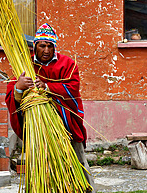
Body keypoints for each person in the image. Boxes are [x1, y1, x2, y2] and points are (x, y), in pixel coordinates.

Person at [5, 23, 95, 192]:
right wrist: (18, 87)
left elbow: (73, 89)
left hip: (65, 125)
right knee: (40, 168)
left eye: (50, 46)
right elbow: (11, 97)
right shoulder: (23, 65)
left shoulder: (67, 64)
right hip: (37, 128)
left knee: (77, 162)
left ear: (54, 47)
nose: (46, 50)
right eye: (42, 46)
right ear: (35, 46)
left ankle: (85, 190)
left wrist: (47, 87)